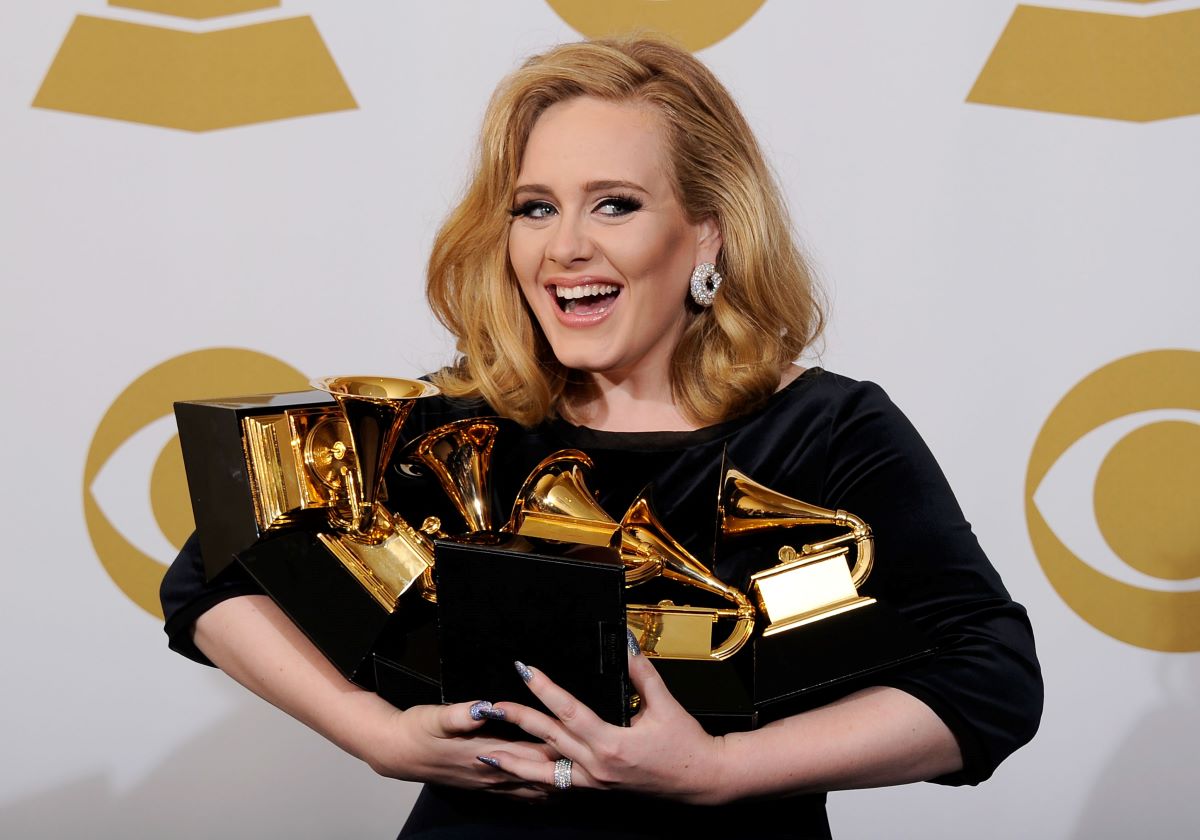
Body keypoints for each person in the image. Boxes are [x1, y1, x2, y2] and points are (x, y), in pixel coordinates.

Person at [161, 37, 1042, 839]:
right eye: (535, 208)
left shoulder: (828, 428)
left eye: (614, 205)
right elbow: (216, 569)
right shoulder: (452, 421)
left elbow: (990, 679)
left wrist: (720, 772)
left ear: (709, 231)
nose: (565, 247)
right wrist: (376, 735)